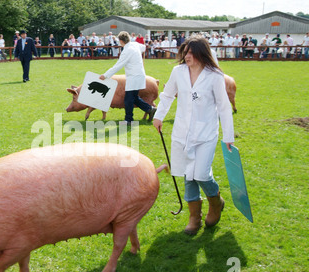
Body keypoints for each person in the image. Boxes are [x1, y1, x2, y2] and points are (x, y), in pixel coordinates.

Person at [152, 35, 234, 235]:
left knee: (202, 174)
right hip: (182, 132)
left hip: (206, 133)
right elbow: (168, 94)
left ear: (201, 54)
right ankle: (194, 218)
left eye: (191, 53)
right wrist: (159, 116)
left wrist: (228, 135)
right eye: (185, 52)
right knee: (188, 174)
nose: (187, 56)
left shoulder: (214, 76)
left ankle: (215, 203)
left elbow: (223, 107)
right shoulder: (178, 72)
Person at [99, 31, 157, 124]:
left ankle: (128, 120)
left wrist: (105, 75)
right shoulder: (135, 44)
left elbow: (118, 66)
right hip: (140, 75)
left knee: (128, 99)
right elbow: (144, 47)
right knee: (134, 97)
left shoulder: (126, 51)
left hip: (133, 77)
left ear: (121, 41)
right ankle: (150, 109)